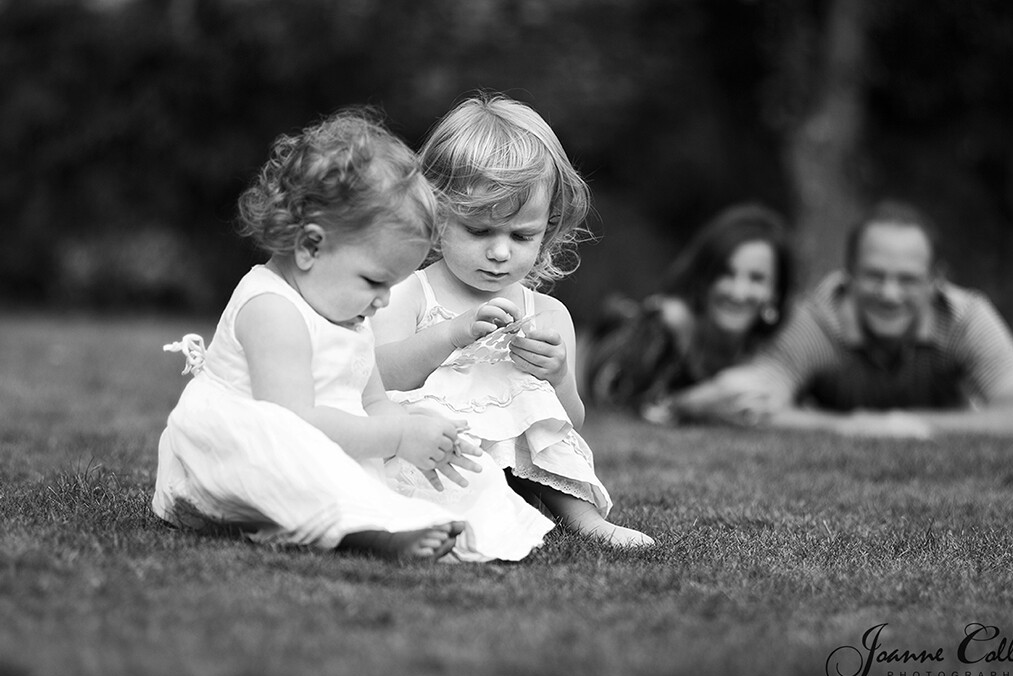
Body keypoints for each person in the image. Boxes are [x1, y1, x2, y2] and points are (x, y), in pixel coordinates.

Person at [154, 107, 554, 563]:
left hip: (340, 442)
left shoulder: (350, 311)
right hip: (247, 456)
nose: (384, 301)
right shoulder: (271, 309)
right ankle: (375, 533)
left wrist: (412, 430)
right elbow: (292, 427)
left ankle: (422, 511)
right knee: (323, 455)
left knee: (424, 434)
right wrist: (395, 438)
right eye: (374, 282)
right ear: (309, 246)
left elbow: (375, 403)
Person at [372, 93, 654, 547]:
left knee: (537, 416)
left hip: (516, 467)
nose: (500, 252)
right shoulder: (411, 292)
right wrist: (451, 334)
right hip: (439, 452)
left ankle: (581, 519)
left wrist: (558, 374)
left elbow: (569, 422)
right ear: (437, 215)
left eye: (522, 235)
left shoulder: (547, 313)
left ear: (548, 228)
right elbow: (379, 376)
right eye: (479, 230)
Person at [671, 199, 1013, 438]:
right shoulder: (816, 322)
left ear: (935, 281)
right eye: (875, 276)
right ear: (849, 277)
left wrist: (911, 425)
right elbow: (750, 403)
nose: (889, 294)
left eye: (907, 279)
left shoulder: (966, 318)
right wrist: (851, 426)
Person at [584, 202, 793, 423]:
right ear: (705, 277)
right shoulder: (669, 324)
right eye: (727, 273)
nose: (739, 293)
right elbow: (621, 403)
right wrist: (693, 405)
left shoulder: (771, 343)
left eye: (757, 278)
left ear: (776, 293)